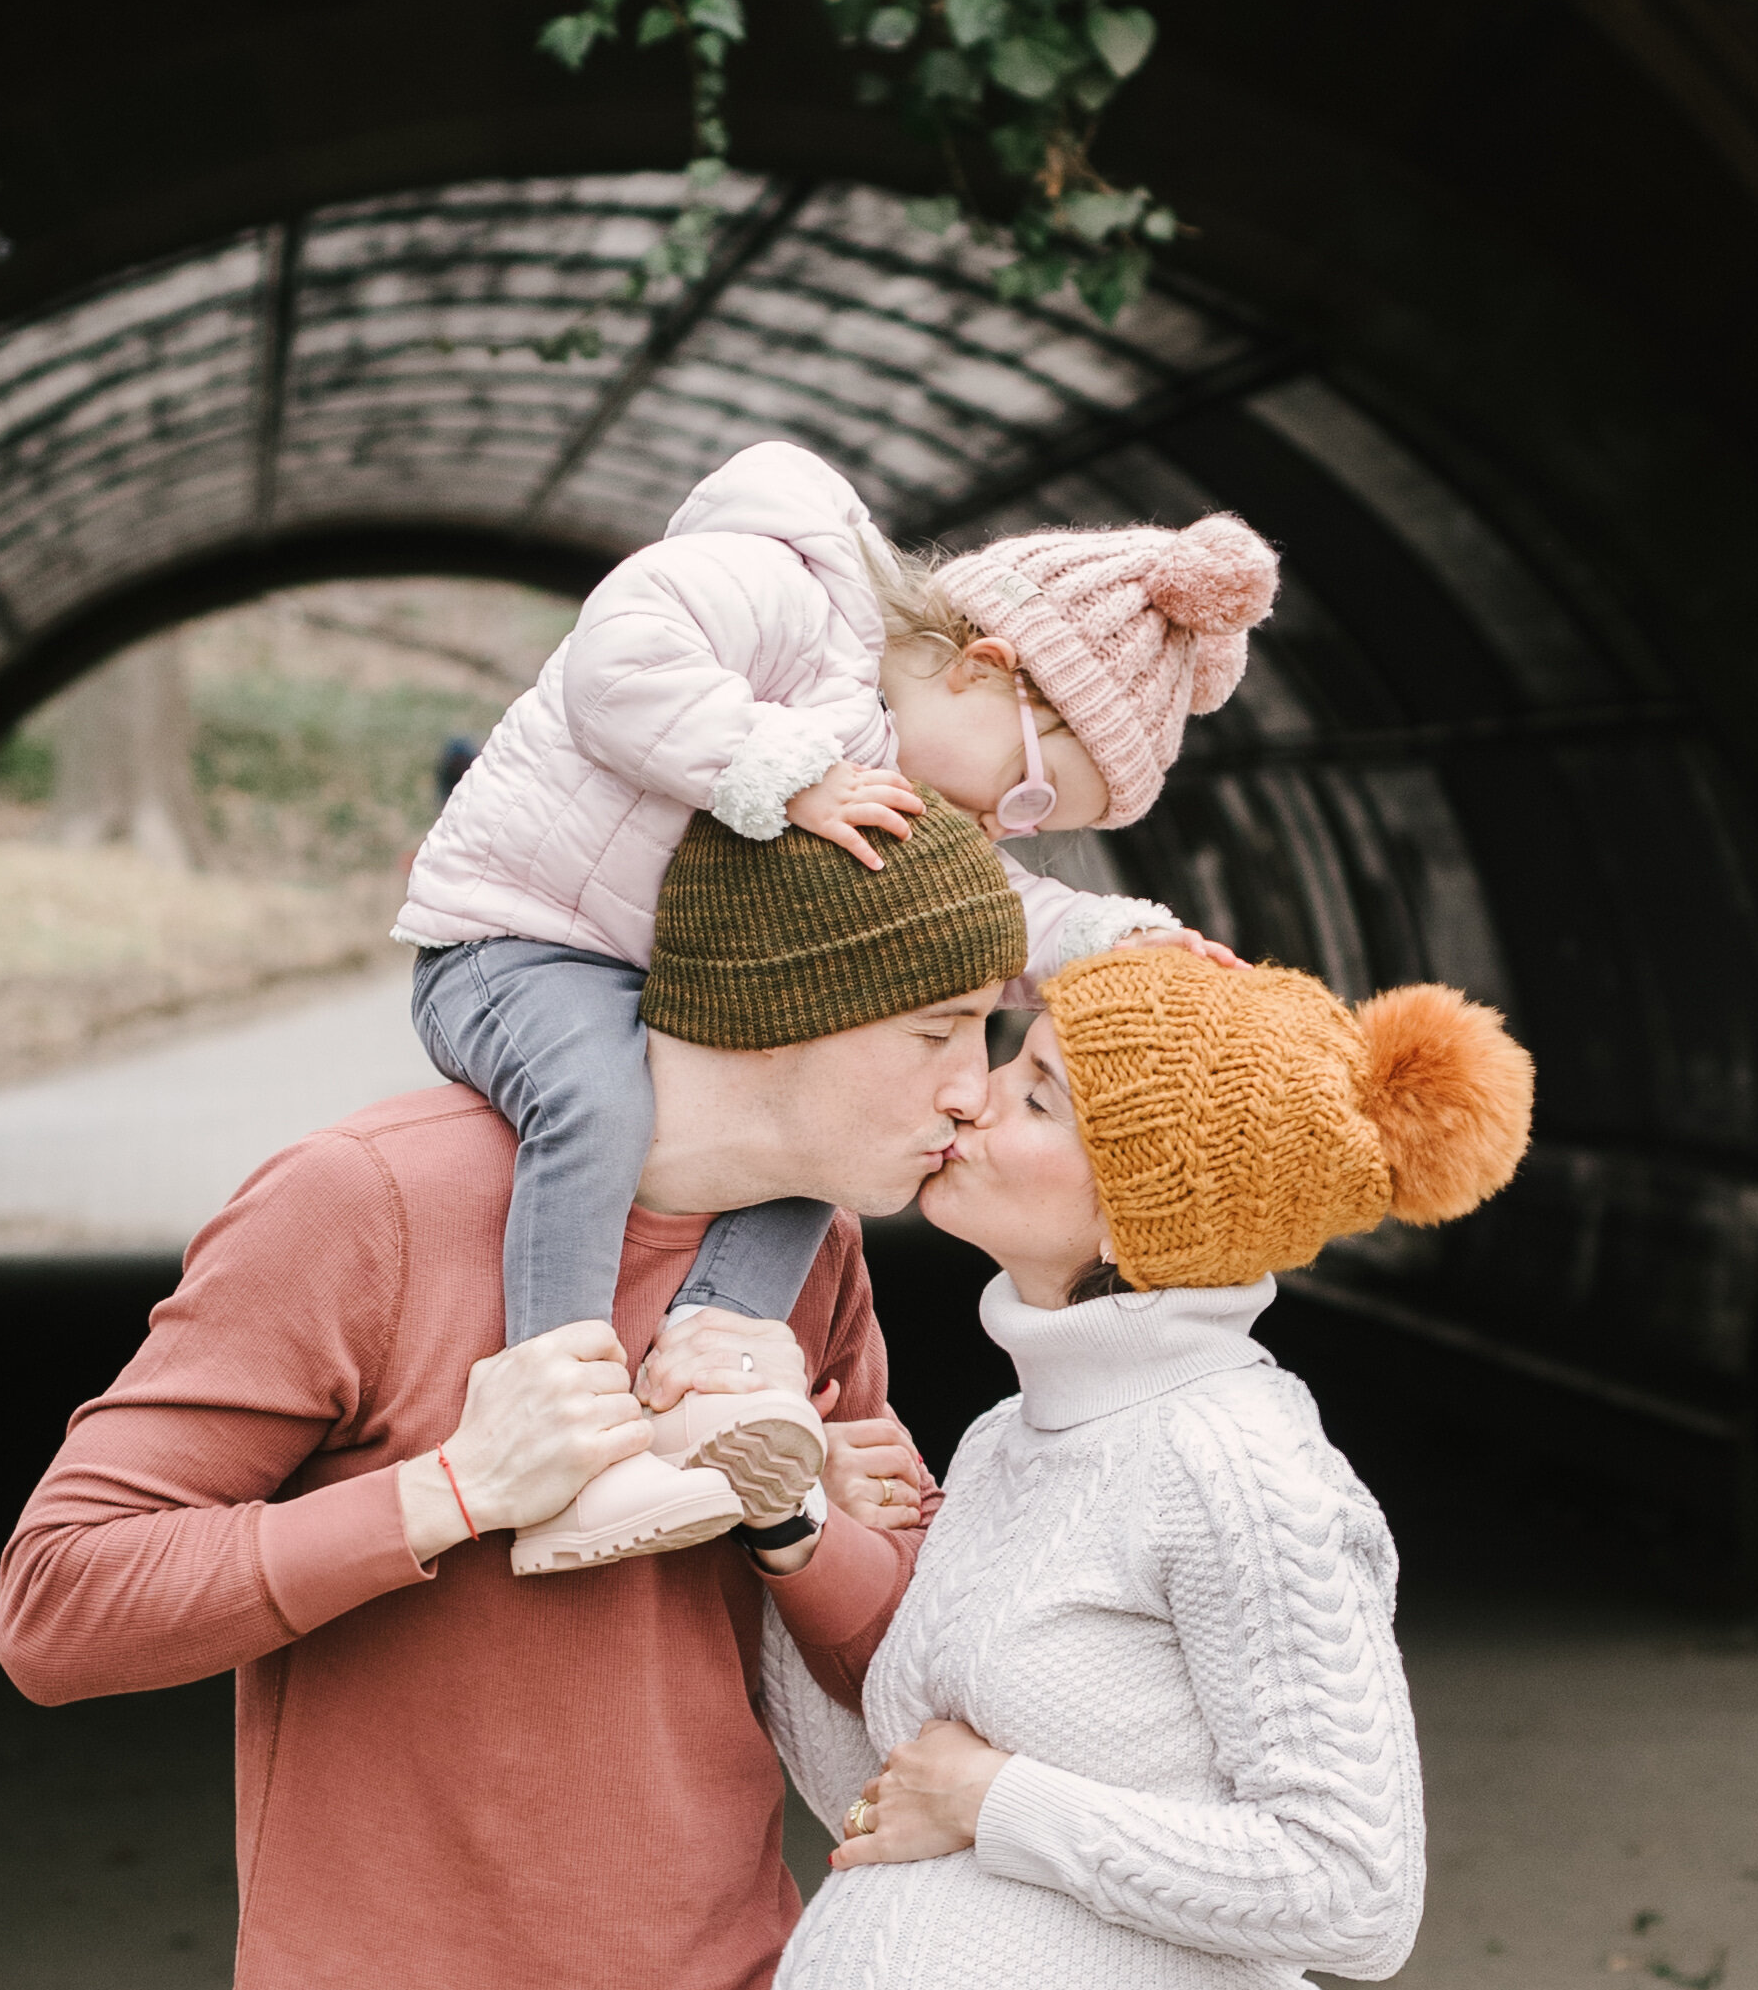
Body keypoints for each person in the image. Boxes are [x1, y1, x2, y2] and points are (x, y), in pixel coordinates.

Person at [0, 794, 1025, 1990]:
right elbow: (60, 1603)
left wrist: (792, 1507)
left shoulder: (805, 1254)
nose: (977, 1093)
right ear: (787, 998)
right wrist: (451, 1490)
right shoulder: (366, 1205)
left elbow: (900, 1670)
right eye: (942, 1029)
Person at [758, 942, 1536, 1990]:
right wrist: (786, 1537)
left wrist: (1002, 1803)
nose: (977, 1099)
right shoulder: (1011, 1440)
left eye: (1039, 1095)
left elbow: (1354, 1884)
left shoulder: (1235, 1465)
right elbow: (884, 1811)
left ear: (1147, 1210)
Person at [399, 435, 1276, 1572]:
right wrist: (780, 769)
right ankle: (560, 1435)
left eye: (1044, 825)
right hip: (515, 938)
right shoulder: (786, 589)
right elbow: (618, 660)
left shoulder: (910, 776)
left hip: (663, 981)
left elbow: (976, 915)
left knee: (836, 1135)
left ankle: (710, 1356)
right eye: (1030, 791)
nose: (1011, 826)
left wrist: (1122, 939)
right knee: (599, 1107)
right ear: (982, 667)